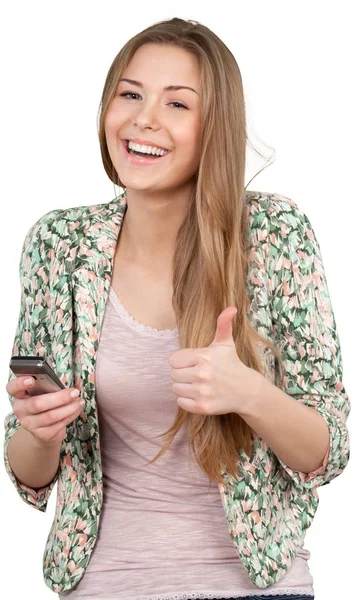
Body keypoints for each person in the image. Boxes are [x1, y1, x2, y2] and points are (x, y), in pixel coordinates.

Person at [3, 16, 350, 600]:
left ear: (214, 125)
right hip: (101, 586)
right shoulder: (58, 245)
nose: (144, 119)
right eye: (130, 94)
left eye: (177, 104)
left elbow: (329, 450)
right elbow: (31, 475)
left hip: (253, 590)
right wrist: (39, 434)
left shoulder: (271, 233)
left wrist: (249, 393)